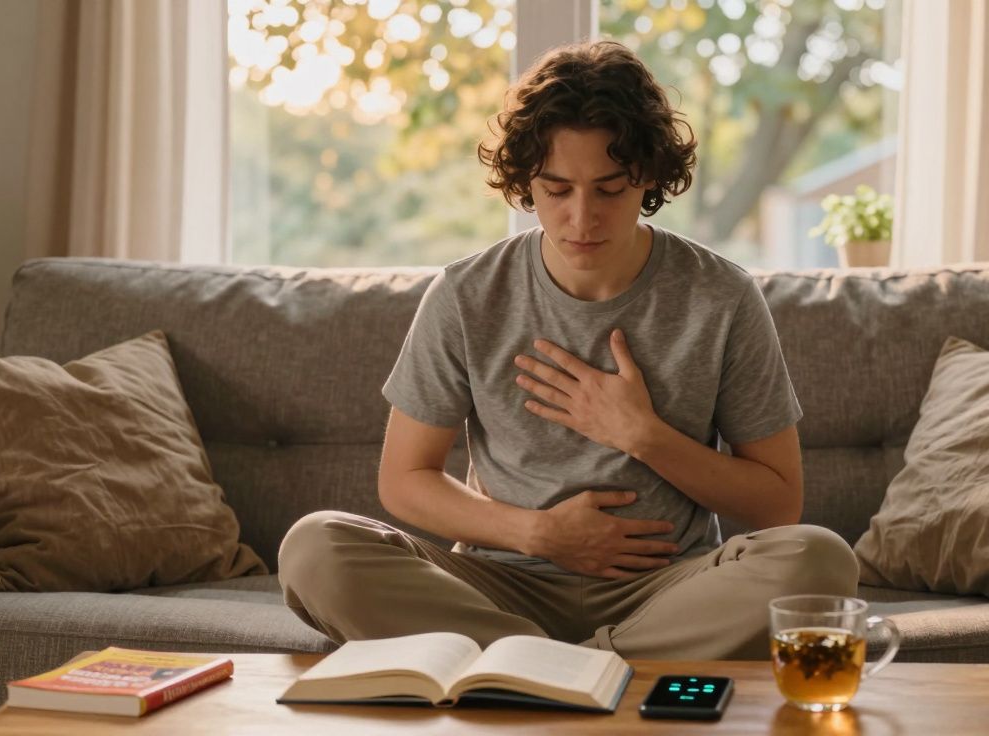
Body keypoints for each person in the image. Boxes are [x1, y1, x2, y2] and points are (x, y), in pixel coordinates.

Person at [277, 40, 858, 661]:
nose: (582, 219)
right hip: (498, 583)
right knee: (314, 548)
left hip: (667, 590)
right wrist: (539, 534)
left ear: (649, 177)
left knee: (819, 559)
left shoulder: (722, 295)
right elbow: (404, 481)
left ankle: (542, 666)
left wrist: (643, 435)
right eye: (557, 190)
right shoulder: (466, 294)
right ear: (526, 181)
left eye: (609, 190)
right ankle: (607, 666)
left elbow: (778, 503)